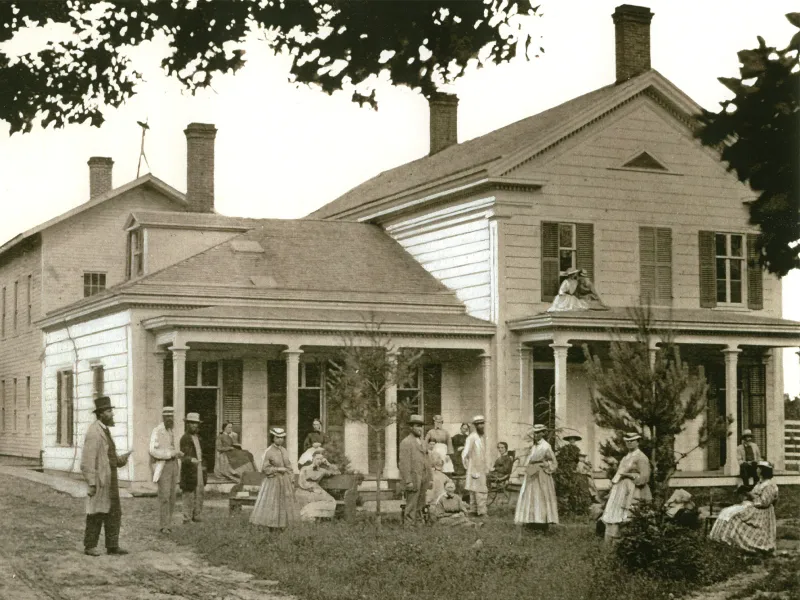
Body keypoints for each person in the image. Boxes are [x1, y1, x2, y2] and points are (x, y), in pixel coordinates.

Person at [80, 396, 132, 556]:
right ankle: (90, 546)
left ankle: (112, 545)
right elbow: (87, 461)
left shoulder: (105, 430)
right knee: (96, 512)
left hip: (111, 479)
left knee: (114, 512)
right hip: (101, 480)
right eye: (109, 411)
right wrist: (92, 482)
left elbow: (109, 457)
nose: (112, 414)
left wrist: (121, 459)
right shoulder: (94, 432)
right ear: (101, 413)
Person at [709, 461, 778, 554]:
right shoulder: (760, 483)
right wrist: (746, 493)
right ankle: (721, 540)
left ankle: (732, 541)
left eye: (759, 468)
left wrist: (749, 494)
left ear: (763, 471)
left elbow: (764, 502)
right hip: (753, 506)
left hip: (761, 512)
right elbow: (755, 495)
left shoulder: (770, 485)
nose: (757, 470)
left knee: (735, 516)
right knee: (726, 512)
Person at [601, 432, 652, 543]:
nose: (629, 443)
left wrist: (629, 475)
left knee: (630, 515)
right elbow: (619, 474)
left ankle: (629, 542)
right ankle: (613, 542)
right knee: (615, 514)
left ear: (638, 442)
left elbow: (645, 477)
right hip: (621, 489)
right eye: (627, 441)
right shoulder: (625, 458)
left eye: (632, 441)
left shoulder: (641, 457)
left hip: (634, 490)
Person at [514, 424, 559, 533]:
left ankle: (542, 523)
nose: (537, 435)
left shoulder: (546, 446)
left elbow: (554, 462)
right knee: (531, 496)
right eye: (535, 433)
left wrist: (545, 465)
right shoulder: (534, 447)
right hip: (532, 473)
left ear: (544, 433)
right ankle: (531, 521)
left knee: (541, 497)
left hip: (541, 475)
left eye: (539, 432)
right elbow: (529, 460)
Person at [250, 427, 297, 529]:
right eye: (277, 437)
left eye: (282, 438)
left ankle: (282, 525)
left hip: (285, 481)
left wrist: (291, 477)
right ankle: (271, 525)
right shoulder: (268, 451)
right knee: (273, 503)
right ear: (273, 438)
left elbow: (288, 465)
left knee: (284, 503)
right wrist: (278, 469)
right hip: (272, 481)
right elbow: (265, 469)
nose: (280, 440)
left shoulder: (284, 450)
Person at [149, 406, 184, 534]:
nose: (169, 418)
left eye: (171, 416)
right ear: (163, 417)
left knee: (172, 496)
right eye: (167, 416)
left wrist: (177, 455)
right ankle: (164, 526)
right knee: (164, 496)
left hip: (174, 465)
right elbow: (152, 450)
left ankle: (168, 523)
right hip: (163, 465)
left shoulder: (173, 431)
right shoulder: (157, 431)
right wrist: (170, 454)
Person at [399, 414, 432, 526]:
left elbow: (427, 461)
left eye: (421, 426)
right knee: (411, 504)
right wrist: (408, 481)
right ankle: (409, 527)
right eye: (417, 426)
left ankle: (418, 525)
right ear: (411, 427)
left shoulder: (423, 442)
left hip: (423, 477)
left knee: (421, 503)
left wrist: (430, 478)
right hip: (413, 478)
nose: (419, 429)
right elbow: (404, 464)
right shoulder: (406, 442)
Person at [295, 450, 340, 521]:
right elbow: (301, 482)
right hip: (304, 490)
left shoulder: (322, 470)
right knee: (311, 499)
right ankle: (308, 516)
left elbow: (337, 472)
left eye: (321, 459)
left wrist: (328, 464)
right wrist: (313, 489)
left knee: (331, 501)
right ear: (313, 459)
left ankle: (311, 514)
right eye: (317, 459)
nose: (319, 461)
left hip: (317, 489)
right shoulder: (305, 468)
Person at [179, 412, 206, 524]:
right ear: (187, 424)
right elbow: (183, 456)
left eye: (196, 424)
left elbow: (201, 454)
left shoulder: (198, 438)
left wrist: (203, 465)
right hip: (189, 470)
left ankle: (197, 515)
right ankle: (187, 518)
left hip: (198, 468)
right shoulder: (185, 438)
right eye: (192, 423)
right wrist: (191, 460)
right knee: (189, 493)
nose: (194, 426)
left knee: (199, 492)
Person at [462, 415, 491, 517]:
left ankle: (478, 510)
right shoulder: (472, 437)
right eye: (479, 424)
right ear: (475, 426)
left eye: (482, 423)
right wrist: (468, 465)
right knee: (476, 490)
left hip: (481, 467)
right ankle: (477, 511)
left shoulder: (483, 437)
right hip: (474, 467)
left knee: (479, 489)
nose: (481, 426)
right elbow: (465, 453)